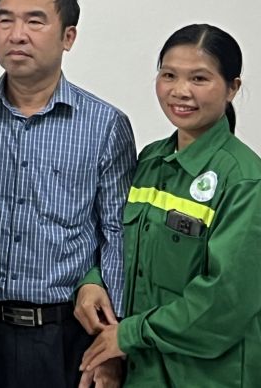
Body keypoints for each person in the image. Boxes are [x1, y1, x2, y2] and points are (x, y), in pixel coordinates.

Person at [0, 0, 135, 388]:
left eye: (34, 22)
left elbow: (117, 233)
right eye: (5, 21)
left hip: (67, 335)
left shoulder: (105, 125)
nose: (17, 35)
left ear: (68, 37)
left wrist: (111, 340)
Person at [80, 24, 261, 387]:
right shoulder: (150, 162)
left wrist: (129, 336)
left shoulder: (243, 179)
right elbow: (121, 242)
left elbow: (225, 302)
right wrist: (92, 280)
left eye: (199, 78)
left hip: (206, 376)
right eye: (168, 75)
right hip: (141, 372)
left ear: (233, 88)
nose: (180, 91)